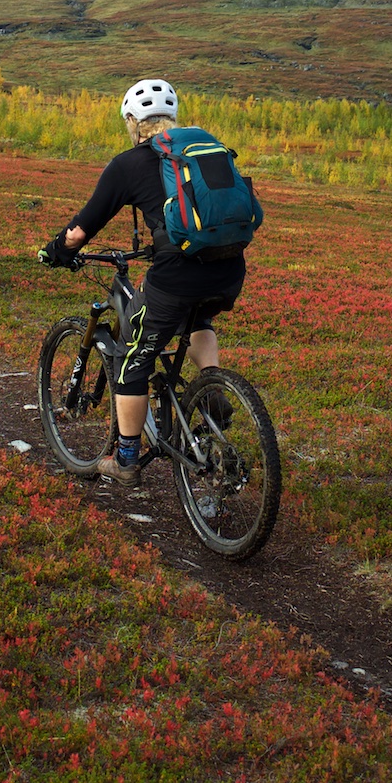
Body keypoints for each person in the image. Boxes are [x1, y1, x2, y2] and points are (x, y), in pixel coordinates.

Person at [37, 78, 243, 487]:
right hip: (229, 267)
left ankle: (125, 458)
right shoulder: (200, 150)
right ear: (171, 117)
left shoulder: (129, 163)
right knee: (197, 317)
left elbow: (81, 230)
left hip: (177, 274)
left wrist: (57, 249)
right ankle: (211, 389)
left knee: (130, 355)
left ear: (133, 120)